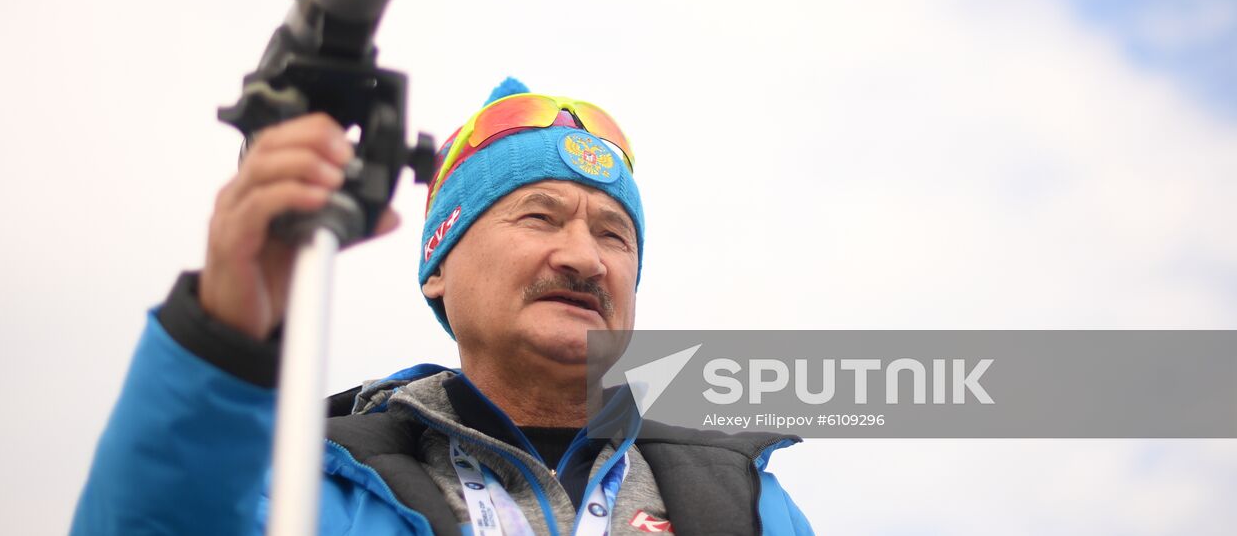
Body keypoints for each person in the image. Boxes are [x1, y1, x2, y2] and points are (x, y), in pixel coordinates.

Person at [72, 78, 813, 534]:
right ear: (438, 269)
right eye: (539, 217)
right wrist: (221, 338)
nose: (585, 258)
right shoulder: (313, 480)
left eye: (614, 235)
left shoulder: (741, 500)